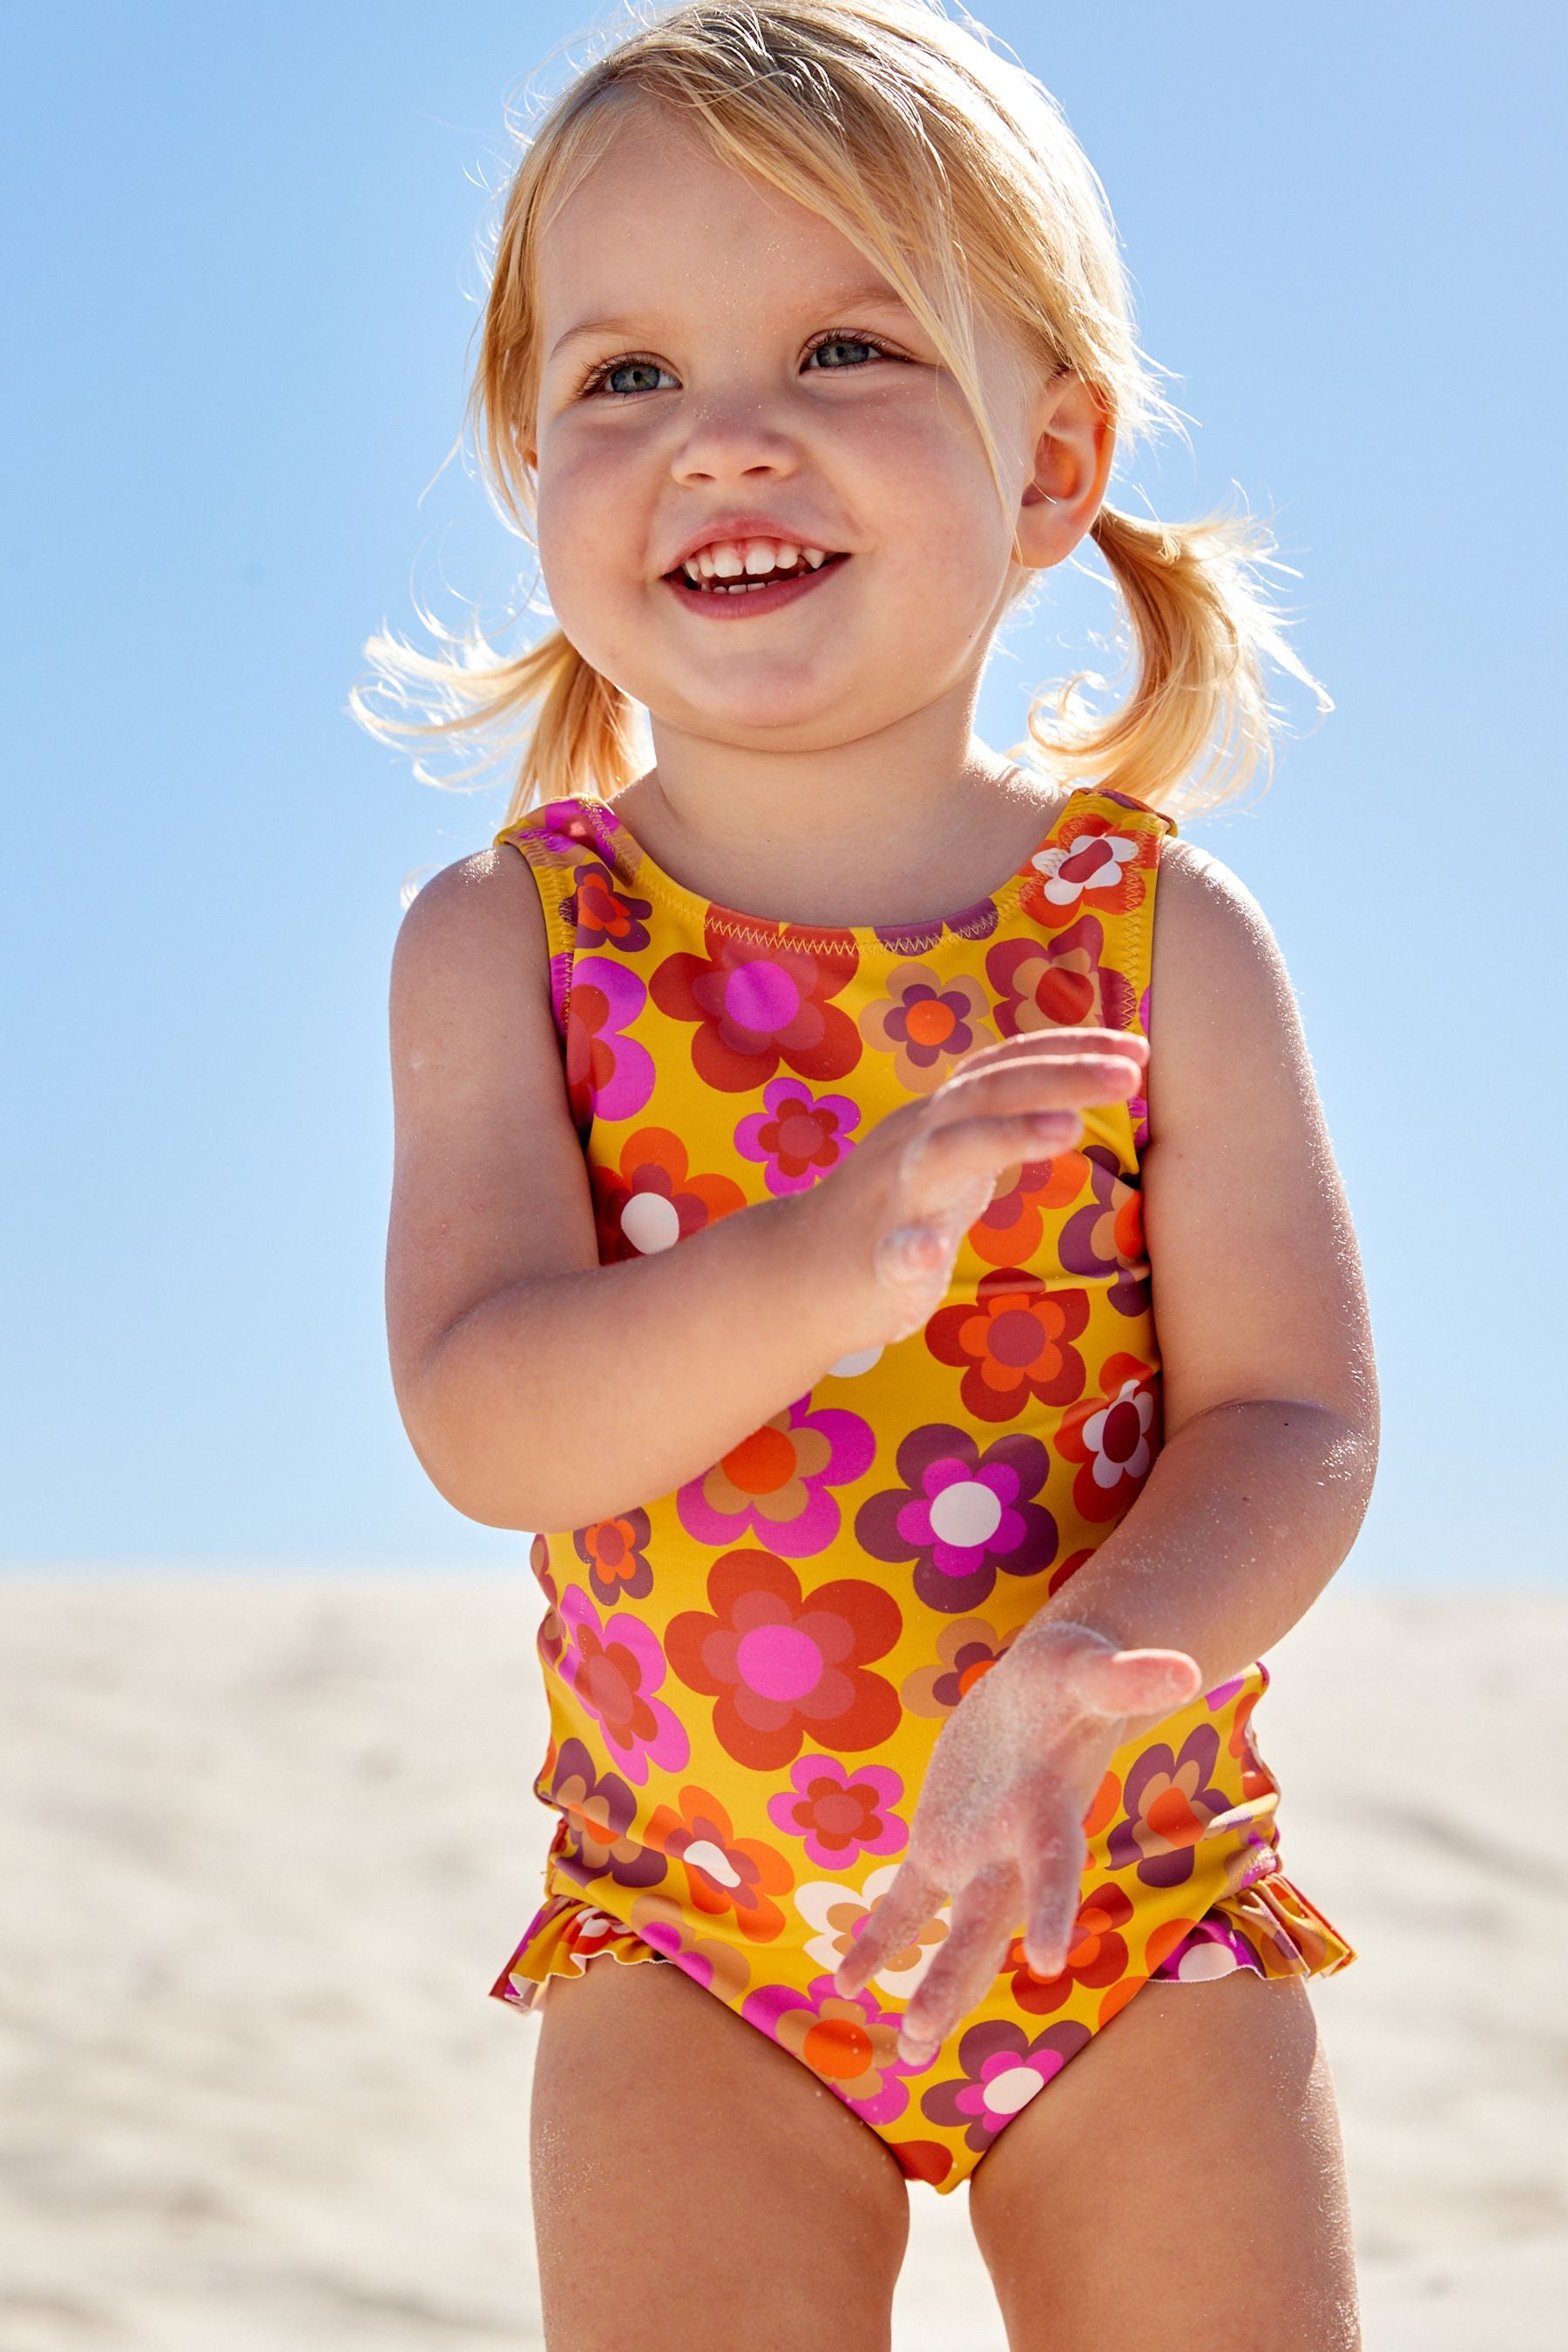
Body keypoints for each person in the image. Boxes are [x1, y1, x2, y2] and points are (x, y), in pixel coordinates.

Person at [361, 3, 1375, 2343]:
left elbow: (1293, 1414)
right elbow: (485, 1409)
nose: (726, 435)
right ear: (529, 461)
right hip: (691, 1931)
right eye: (621, 377)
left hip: (1118, 1888)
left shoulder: (1153, 936)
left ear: (1052, 467)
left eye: (842, 345)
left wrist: (1099, 1661)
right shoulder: (512, 938)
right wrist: (825, 1259)